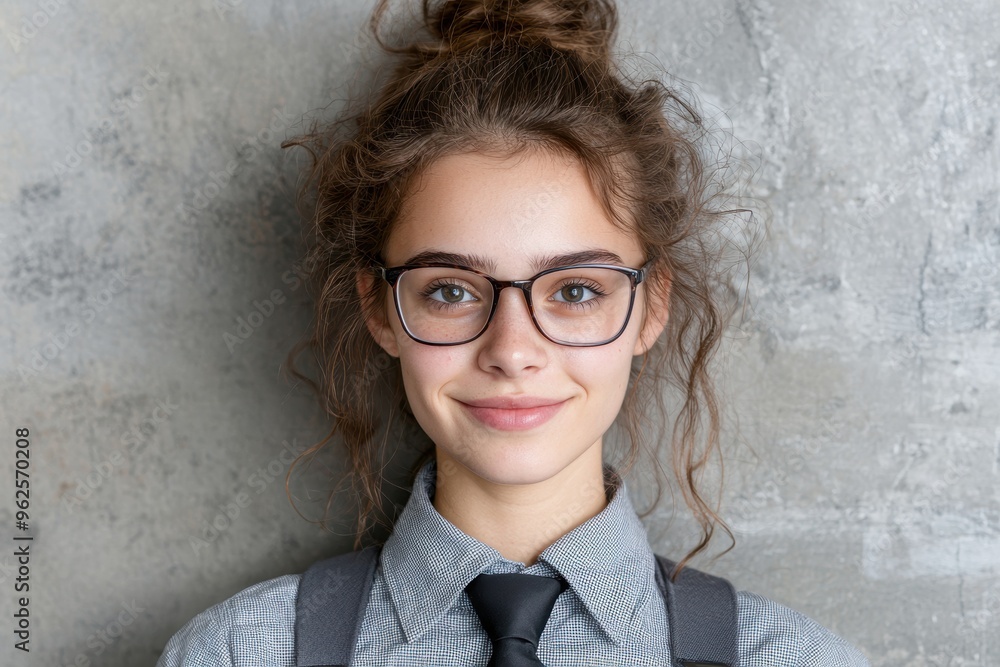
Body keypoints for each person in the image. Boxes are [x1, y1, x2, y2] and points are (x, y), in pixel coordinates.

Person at [157, 0, 870, 665]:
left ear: (651, 307)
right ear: (379, 310)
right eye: (450, 290)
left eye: (576, 290)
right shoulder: (242, 652)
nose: (512, 350)